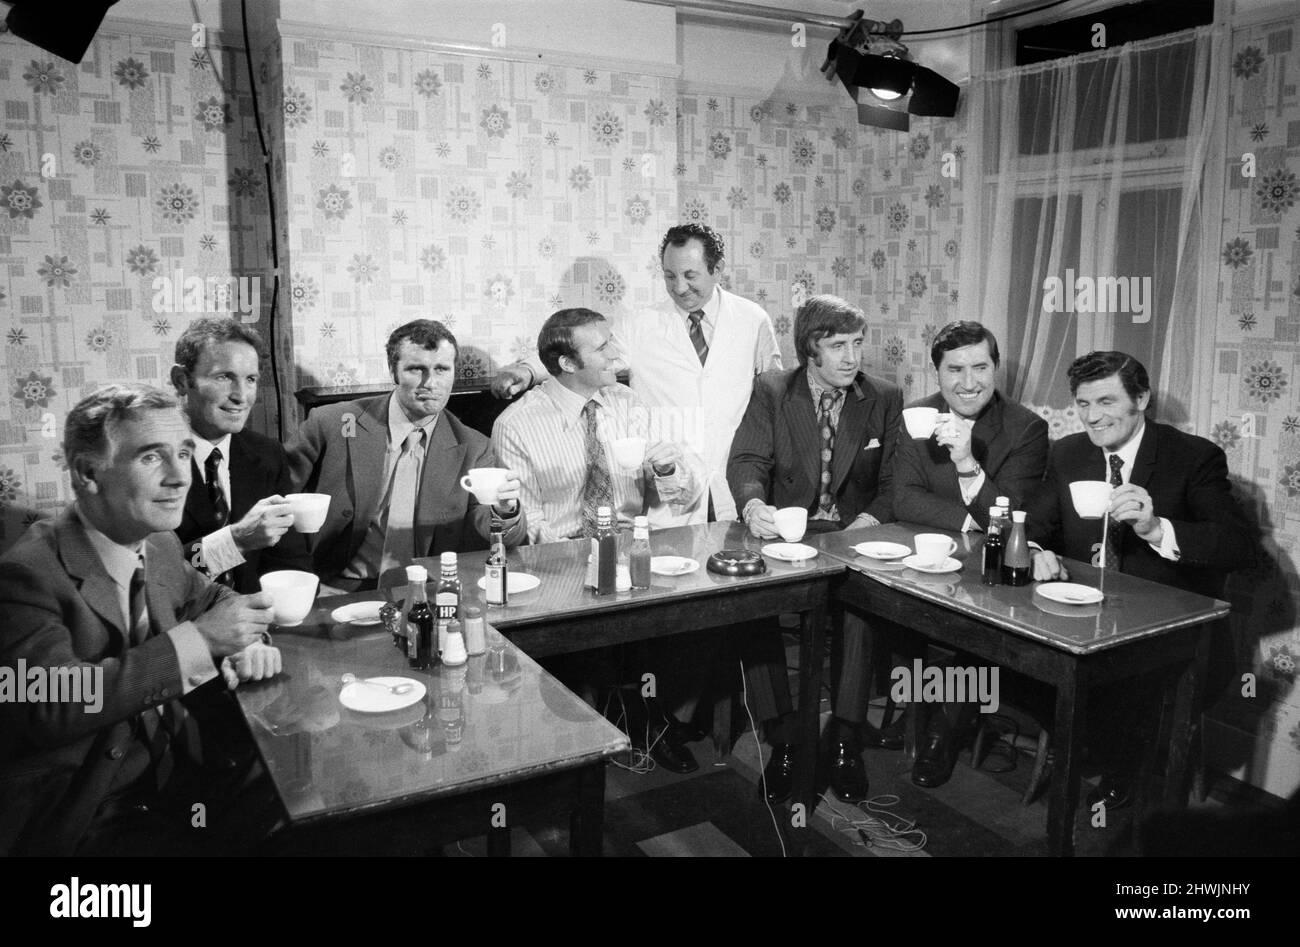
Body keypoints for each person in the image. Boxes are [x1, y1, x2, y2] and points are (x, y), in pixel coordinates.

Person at [0, 384, 282, 856]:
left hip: (181, 773)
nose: (179, 477)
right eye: (152, 458)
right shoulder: (24, 576)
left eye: (183, 453)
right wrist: (200, 643)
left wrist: (244, 640)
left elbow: (212, 599)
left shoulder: (157, 542)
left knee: (309, 802)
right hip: (90, 810)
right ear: (89, 473)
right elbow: (48, 704)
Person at [1028, 351, 1255, 810]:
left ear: (1142, 399)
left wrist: (1157, 529)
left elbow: (1239, 548)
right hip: (1084, 620)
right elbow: (1034, 527)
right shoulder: (1070, 452)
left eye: (1107, 401)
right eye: (1083, 403)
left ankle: (1113, 769)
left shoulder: (1192, 457)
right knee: (1013, 659)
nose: (1093, 417)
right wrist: (1035, 551)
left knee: (1124, 684)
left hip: (1173, 634)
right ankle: (1076, 739)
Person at [492, 308, 705, 771]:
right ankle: (592, 728)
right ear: (567, 363)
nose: (617, 353)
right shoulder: (517, 423)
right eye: (602, 347)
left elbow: (671, 494)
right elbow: (518, 530)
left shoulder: (626, 403)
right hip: (558, 558)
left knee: (686, 600)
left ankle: (649, 718)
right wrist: (586, 553)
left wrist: (667, 469)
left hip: (632, 547)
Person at [727, 294, 902, 803]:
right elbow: (746, 460)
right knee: (753, 610)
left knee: (860, 615)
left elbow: (895, 482)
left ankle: (845, 740)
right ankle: (783, 741)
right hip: (787, 535)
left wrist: (868, 522)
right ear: (810, 351)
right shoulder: (775, 390)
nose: (852, 357)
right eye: (837, 346)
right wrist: (753, 505)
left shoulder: (884, 397)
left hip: (854, 535)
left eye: (857, 344)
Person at [491, 223, 781, 524]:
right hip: (669, 494)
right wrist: (527, 370)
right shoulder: (642, 324)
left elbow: (774, 396)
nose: (679, 287)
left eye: (690, 276)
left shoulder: (753, 320)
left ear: (717, 269)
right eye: (670, 276)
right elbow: (581, 355)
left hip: (734, 478)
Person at [888, 322, 1049, 788]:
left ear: (995, 369)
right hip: (924, 559)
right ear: (936, 372)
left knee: (974, 621)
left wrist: (965, 463)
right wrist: (969, 521)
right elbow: (904, 498)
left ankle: (943, 731)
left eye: (980, 367)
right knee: (878, 610)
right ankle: (903, 716)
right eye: (954, 369)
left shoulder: (1025, 429)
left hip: (991, 572)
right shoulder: (917, 415)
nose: (969, 381)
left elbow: (1012, 517)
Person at [286, 320, 527, 593]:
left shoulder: (474, 446)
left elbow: (499, 534)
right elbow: (275, 502)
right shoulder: (335, 424)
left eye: (441, 369)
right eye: (416, 369)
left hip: (427, 593)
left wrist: (506, 511)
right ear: (394, 371)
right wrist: (306, 585)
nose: (431, 383)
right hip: (337, 588)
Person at [170, 317, 310, 593]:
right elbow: (155, 576)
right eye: (224, 377)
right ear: (182, 380)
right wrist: (235, 541)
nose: (242, 396)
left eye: (250, 379)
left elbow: (291, 563)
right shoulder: (150, 460)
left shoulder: (267, 454)